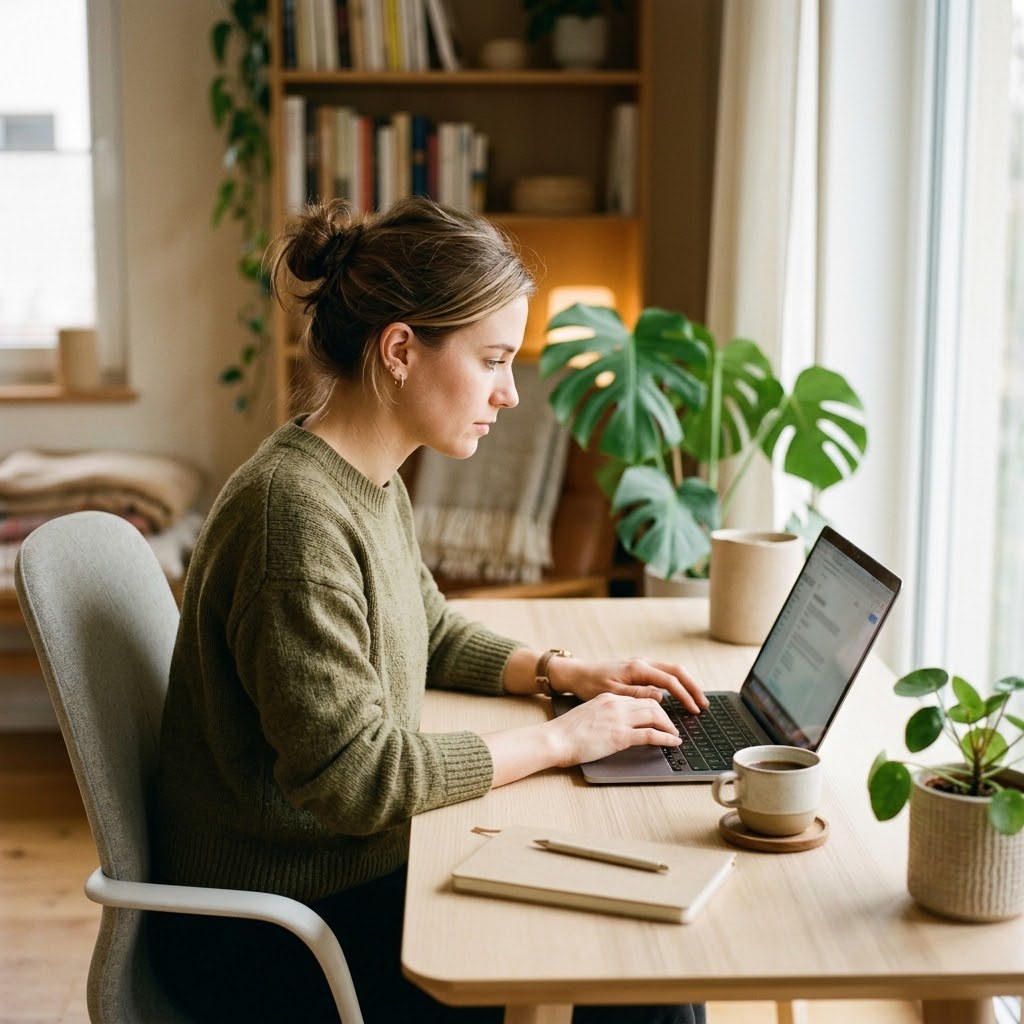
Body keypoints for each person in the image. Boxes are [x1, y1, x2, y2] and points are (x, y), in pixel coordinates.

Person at [150, 195, 709, 1024]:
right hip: (277, 935)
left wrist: (561, 671)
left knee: (642, 954)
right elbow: (357, 779)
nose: (512, 394)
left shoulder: (365, 478)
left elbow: (430, 626)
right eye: (492, 360)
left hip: (340, 876)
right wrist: (558, 740)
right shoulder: (291, 518)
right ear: (402, 350)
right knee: (639, 991)